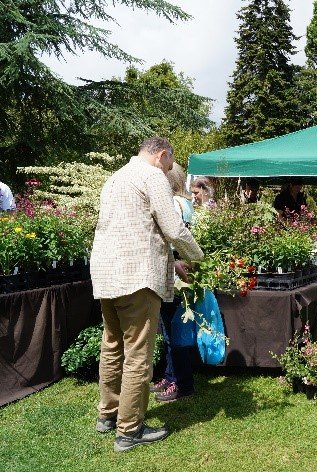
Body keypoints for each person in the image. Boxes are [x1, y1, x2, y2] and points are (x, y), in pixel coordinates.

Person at [91, 137, 204, 452]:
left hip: (106, 273)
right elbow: (174, 229)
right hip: (137, 276)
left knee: (112, 345)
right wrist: (199, 257)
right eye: (169, 165)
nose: (168, 172)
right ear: (162, 155)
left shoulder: (115, 177)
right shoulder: (152, 176)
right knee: (138, 353)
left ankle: (108, 414)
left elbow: (130, 227)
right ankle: (129, 430)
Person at [151, 163, 197, 403]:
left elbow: (173, 237)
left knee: (174, 331)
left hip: (176, 272)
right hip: (180, 270)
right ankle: (171, 377)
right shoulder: (185, 203)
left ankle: (181, 383)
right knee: (173, 329)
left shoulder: (175, 204)